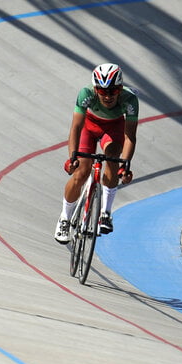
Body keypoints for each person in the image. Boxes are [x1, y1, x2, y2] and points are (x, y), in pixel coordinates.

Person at [54, 63, 137, 243]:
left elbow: (130, 136)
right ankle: (65, 218)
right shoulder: (86, 94)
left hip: (113, 129)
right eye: (102, 91)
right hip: (88, 128)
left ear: (120, 89)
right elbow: (76, 127)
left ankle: (105, 213)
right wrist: (72, 157)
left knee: (114, 159)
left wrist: (125, 165)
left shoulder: (130, 99)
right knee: (81, 172)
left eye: (113, 91)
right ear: (95, 89)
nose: (107, 96)